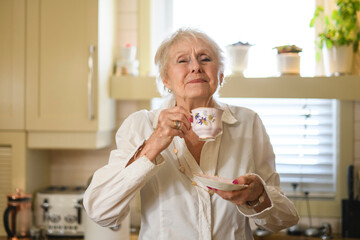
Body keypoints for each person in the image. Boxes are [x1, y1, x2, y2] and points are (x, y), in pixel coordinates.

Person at [83, 28, 299, 240]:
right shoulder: (141, 125)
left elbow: (284, 219)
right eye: (182, 60)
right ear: (165, 79)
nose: (196, 67)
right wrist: (154, 143)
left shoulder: (248, 123)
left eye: (205, 59)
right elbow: (100, 211)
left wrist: (257, 195)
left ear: (220, 75)